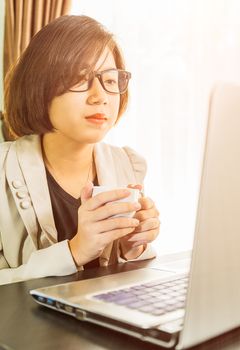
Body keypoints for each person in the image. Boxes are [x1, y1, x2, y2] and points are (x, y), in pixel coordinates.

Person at [0, 15, 160, 285]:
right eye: (79, 78)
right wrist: (74, 252)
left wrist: (134, 248)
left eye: (110, 80)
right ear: (39, 87)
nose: (100, 96)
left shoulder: (127, 164)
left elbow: (125, 284)